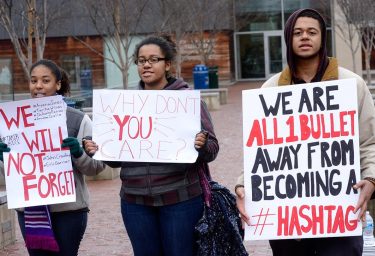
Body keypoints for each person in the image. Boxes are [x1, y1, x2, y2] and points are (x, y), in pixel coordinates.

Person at [235, 8, 375, 256]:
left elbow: (371, 142)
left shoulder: (350, 84)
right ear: (288, 39)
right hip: (287, 221)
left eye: (312, 32)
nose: (305, 37)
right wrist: (243, 185)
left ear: (322, 39)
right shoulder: (270, 89)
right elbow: (259, 150)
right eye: (298, 32)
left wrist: (371, 180)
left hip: (339, 215)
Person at [84, 35, 219, 256]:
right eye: (141, 60)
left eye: (153, 59)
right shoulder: (125, 105)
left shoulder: (187, 101)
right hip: (135, 201)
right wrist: (99, 150)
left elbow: (212, 149)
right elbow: (117, 159)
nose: (146, 64)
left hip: (180, 200)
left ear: (167, 64)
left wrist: (201, 145)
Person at [0, 59, 105, 256]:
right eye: (33, 81)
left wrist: (78, 153)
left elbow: (96, 167)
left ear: (58, 84)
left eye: (45, 80)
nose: (38, 86)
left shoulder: (78, 119)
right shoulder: (13, 122)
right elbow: (12, 173)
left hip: (69, 212)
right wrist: (2, 159)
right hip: (29, 211)